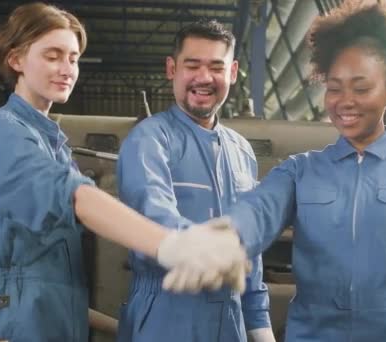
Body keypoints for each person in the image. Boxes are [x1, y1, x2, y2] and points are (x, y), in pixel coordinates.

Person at [175, 2, 386, 341]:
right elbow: (257, 211)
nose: (344, 100)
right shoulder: (300, 171)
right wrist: (226, 238)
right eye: (334, 88)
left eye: (361, 88)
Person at [0, 3, 249, 341]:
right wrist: (173, 244)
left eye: (73, 58)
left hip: (54, 323)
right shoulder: (3, 133)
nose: (66, 68)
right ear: (16, 60)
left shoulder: (51, 143)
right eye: (52, 56)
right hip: (18, 328)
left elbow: (50, 283)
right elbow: (72, 196)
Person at [116, 20, 275, 342]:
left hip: (231, 318)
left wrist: (259, 326)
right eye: (193, 65)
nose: (204, 78)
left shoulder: (242, 151)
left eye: (216, 66)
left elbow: (250, 246)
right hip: (166, 310)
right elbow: (152, 212)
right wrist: (207, 248)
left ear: (232, 72)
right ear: (172, 69)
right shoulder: (149, 139)